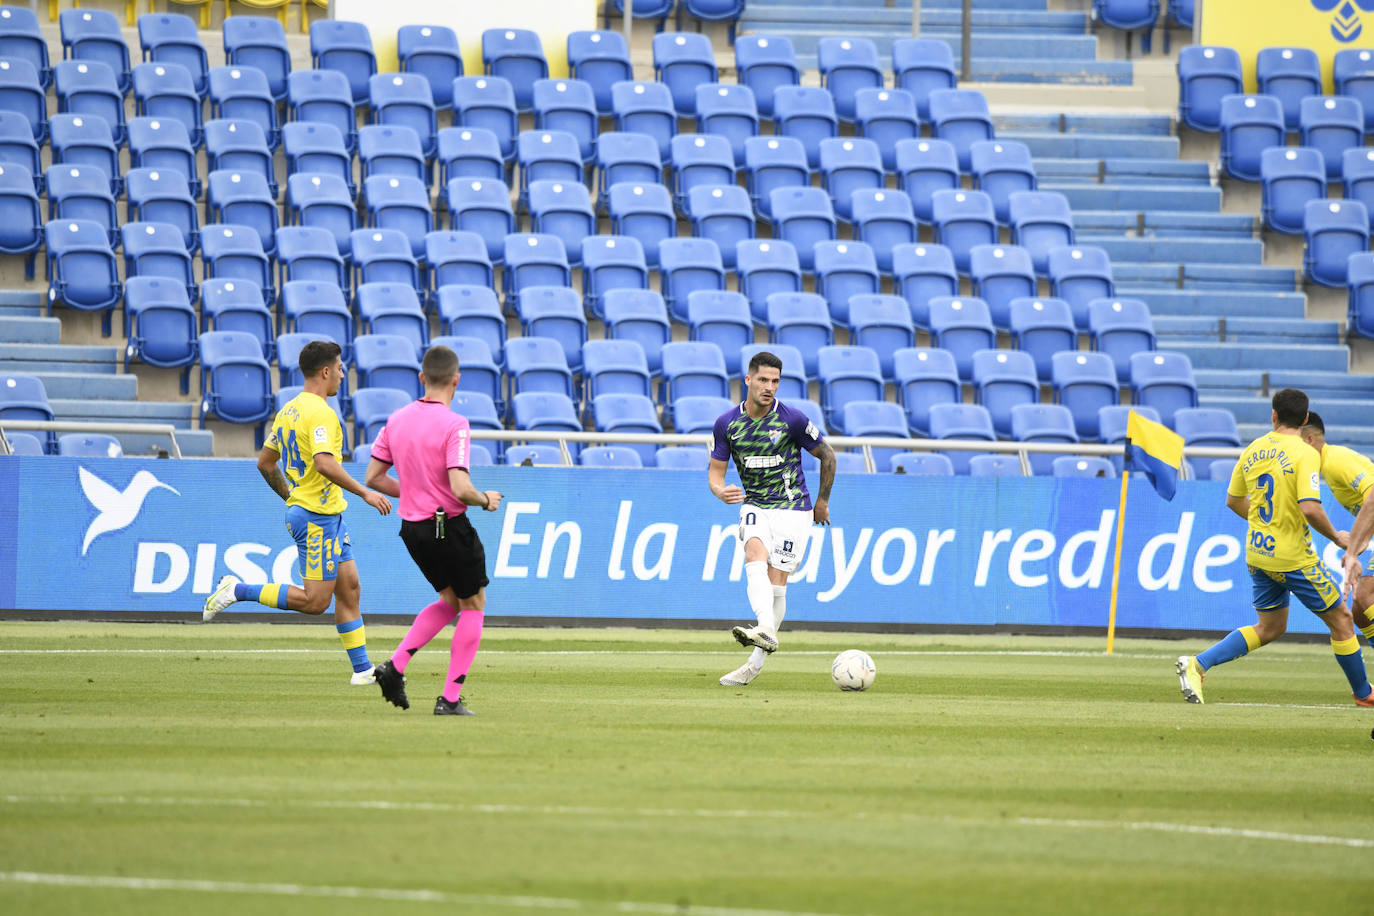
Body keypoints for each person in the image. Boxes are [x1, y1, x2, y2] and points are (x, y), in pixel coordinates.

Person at [202, 340, 394, 686]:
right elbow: (324, 463)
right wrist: (365, 491)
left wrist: (292, 497)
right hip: (316, 517)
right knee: (315, 601)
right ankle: (236, 590)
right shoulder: (320, 413)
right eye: (338, 369)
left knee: (349, 588)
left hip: (327, 513)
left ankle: (363, 670)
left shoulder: (288, 410)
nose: (341, 374)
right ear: (324, 371)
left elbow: (265, 463)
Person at [1176, 388, 1372, 706]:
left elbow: (1233, 500)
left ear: (1273, 415)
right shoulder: (1306, 452)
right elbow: (1309, 507)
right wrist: (1338, 537)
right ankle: (1365, 694)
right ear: (1306, 419)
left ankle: (1197, 664)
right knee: (1342, 619)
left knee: (1270, 627)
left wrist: (1265, 523)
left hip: (1258, 552)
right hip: (1292, 558)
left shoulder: (1253, 449)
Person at [363, 345, 503, 717]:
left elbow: (374, 478)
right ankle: (450, 699)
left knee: (450, 602)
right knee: (473, 604)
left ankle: (394, 667)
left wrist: (415, 489)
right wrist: (485, 499)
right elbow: (459, 487)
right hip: (447, 525)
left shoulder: (396, 420)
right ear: (456, 380)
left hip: (413, 529)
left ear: (422, 378)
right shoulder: (455, 424)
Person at [708, 350, 835, 687]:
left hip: (793, 509)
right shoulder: (726, 424)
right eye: (763, 380)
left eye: (775, 381)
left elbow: (827, 454)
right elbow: (715, 475)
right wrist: (720, 491)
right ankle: (765, 628)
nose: (769, 387)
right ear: (748, 380)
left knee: (777, 581)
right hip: (755, 505)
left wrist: (822, 501)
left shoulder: (791, 419)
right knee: (753, 553)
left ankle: (753, 665)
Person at [1299, 412, 1374, 645]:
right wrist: (1362, 539)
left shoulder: (1335, 461)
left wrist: (1351, 553)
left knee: (1365, 596)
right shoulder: (1328, 465)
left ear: (1310, 440)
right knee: (1360, 611)